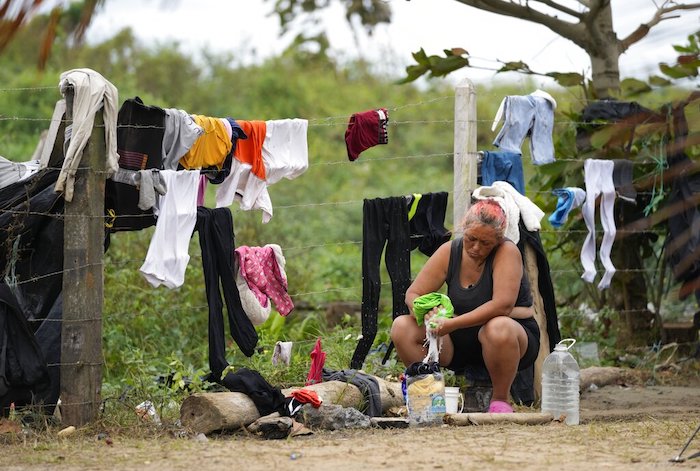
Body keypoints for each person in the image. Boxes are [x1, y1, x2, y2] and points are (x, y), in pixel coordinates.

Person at [390, 199, 540, 413]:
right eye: (471, 239)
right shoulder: (450, 251)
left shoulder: (507, 252)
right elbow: (413, 294)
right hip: (457, 341)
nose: (476, 248)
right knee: (402, 327)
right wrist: (424, 311)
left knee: (498, 327)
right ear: (464, 229)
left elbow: (502, 306)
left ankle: (500, 401)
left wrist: (452, 324)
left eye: (486, 243)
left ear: (498, 240)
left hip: (510, 340)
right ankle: (430, 397)